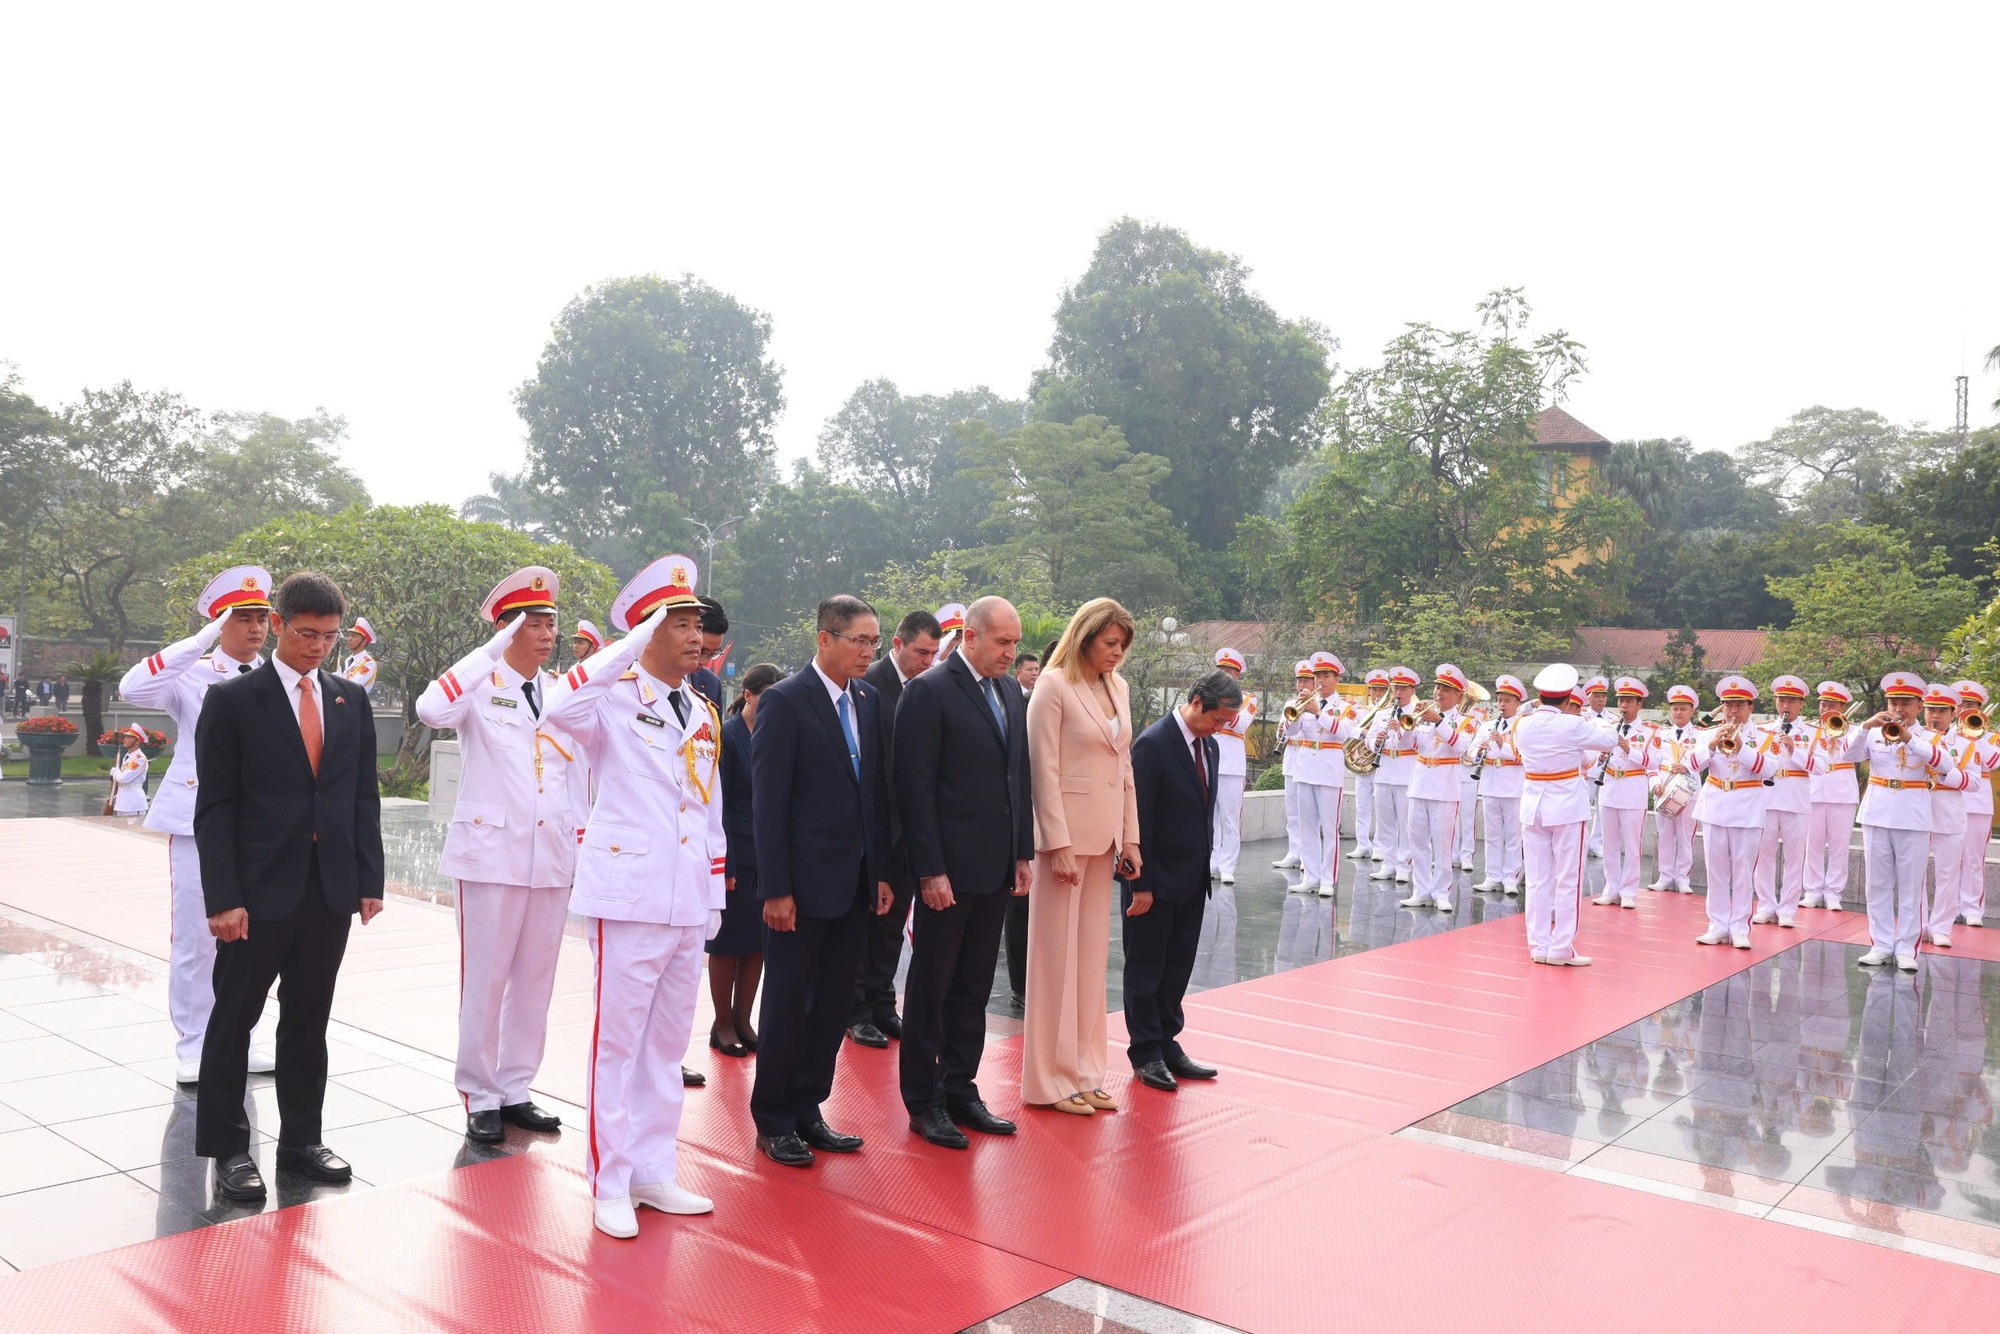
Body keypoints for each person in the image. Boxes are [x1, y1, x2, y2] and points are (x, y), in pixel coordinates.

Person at [539, 555, 722, 1234]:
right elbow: (558, 707)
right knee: (616, 1045)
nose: (696, 636)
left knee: (666, 1047)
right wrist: (629, 644)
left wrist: (714, 896)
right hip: (628, 896)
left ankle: (651, 1169)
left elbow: (709, 808)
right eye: (681, 623)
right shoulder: (610, 700)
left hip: (686, 899)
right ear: (646, 631)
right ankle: (609, 1180)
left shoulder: (701, 710)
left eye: (698, 624)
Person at [194, 571, 386, 1203]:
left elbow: (361, 797)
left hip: (328, 890)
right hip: (255, 893)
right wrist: (223, 897)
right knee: (234, 1020)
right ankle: (228, 1149)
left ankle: (302, 1140)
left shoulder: (348, 699)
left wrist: (369, 878)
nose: (318, 647)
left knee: (308, 1020)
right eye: (307, 634)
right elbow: (215, 808)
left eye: (329, 637)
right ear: (278, 625)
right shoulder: (232, 701)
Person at [414, 565, 580, 1145]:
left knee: (535, 981)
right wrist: (487, 651)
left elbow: (577, 776)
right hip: (490, 855)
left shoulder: (559, 693)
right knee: (485, 981)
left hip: (550, 856)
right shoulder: (479, 685)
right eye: (533, 623)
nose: (547, 634)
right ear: (506, 629)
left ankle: (515, 1087)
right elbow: (431, 709)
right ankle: (479, 1093)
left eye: (551, 623)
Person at [749, 594, 895, 1167]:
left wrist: (880, 873)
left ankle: (808, 1106)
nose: (868, 651)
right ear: (825, 639)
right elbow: (769, 804)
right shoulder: (786, 700)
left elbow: (874, 796)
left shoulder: (868, 699)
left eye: (874, 641)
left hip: (854, 883)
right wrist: (776, 888)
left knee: (833, 1004)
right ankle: (773, 1118)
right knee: (787, 1003)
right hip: (801, 885)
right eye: (859, 640)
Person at [117, 565, 277, 1083]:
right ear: (219, 623)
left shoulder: (277, 676)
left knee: (252, 939)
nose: (255, 628)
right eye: (242, 619)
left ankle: (241, 1037)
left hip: (261, 826)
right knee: (196, 936)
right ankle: (194, 1042)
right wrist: (202, 640)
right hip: (197, 822)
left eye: (261, 618)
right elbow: (133, 687)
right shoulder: (189, 675)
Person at [895, 596, 1033, 1148]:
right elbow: (915, 788)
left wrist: (1021, 852)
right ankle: (922, 1100)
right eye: (1002, 642)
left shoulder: (1009, 692)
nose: (1011, 652)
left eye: (1015, 643)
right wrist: (930, 870)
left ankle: (960, 1087)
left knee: (974, 986)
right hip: (947, 872)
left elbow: (1018, 777)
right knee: (933, 985)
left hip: (995, 866)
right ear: (970, 637)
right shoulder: (929, 692)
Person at [1023, 597, 1141, 1116]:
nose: (1117, 653)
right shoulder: (1053, 686)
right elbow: (1042, 769)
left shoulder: (1119, 687)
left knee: (1092, 962)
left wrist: (1131, 838)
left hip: (1106, 840)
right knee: (1054, 961)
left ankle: (1088, 1072)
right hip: (1064, 844)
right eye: (1110, 643)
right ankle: (1049, 1080)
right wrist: (1057, 844)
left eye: (1123, 645)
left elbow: (1124, 766)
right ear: (1085, 637)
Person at [1124, 670, 1235, 1093]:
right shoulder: (1153, 744)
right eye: (1217, 719)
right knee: (1146, 969)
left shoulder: (1210, 747)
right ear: (1196, 702)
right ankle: (1145, 1052)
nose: (1220, 728)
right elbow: (1138, 821)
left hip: (1191, 879)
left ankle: (1168, 1043)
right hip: (1153, 881)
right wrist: (1141, 885)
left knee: (1176, 968)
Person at [848, 607, 944, 1049]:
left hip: (912, 826)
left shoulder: (929, 689)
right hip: (873, 825)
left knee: (893, 924)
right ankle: (856, 1011)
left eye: (934, 654)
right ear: (898, 644)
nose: (928, 661)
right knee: (867, 924)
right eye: (921, 652)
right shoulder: (868, 685)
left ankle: (883, 1002)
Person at [1844, 672, 1957, 971]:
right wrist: (1865, 727)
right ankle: (1881, 944)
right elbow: (1848, 755)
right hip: (1877, 811)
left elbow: (1946, 765)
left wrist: (1910, 739)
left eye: (1905, 703)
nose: (1898, 709)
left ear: (1919, 706)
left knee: (1910, 886)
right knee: (1877, 884)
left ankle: (1907, 947)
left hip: (1912, 815)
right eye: (1893, 702)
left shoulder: (1931, 736)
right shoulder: (1874, 732)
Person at [1512, 664, 1616, 965]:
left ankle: (1538, 946)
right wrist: (1602, 722)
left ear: (1541, 696)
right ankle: (1560, 948)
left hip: (1533, 806)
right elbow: (1608, 741)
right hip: (1566, 806)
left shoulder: (1523, 724)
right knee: (1568, 879)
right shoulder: (1572, 724)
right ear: (1568, 698)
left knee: (1537, 880)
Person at [711, 664, 782, 1055]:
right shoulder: (727, 734)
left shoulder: (778, 734)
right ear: (748, 694)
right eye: (765, 697)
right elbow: (718, 804)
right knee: (727, 943)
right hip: (735, 852)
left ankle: (743, 1019)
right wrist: (726, 863)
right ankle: (722, 1023)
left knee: (757, 943)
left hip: (766, 855)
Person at [1688, 674, 1774, 950]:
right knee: (1716, 871)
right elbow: (1691, 765)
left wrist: (1742, 749)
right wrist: (1713, 745)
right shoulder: (1707, 734)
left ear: (1751, 708)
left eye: (1739, 705)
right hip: (1715, 805)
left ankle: (1739, 927)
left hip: (1747, 808)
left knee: (1742, 871)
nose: (1733, 711)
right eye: (1728, 705)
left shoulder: (1764, 736)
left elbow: (1770, 770)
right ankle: (1717, 925)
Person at [1399, 664, 1476, 914]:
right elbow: (1408, 744)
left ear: (1458, 696)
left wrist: (1439, 721)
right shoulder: (1423, 715)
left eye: (1446, 689)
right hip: (1419, 783)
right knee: (1417, 841)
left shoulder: (1465, 721)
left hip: (1445, 787)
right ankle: (1421, 890)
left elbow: (1462, 747)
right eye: (1438, 687)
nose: (1439, 692)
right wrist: (1408, 726)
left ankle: (1441, 892)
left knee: (1443, 844)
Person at [1751, 675, 1823, 927]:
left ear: (1801, 704)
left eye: (1791, 701)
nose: (1785, 705)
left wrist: (1795, 751)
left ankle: (1788, 910)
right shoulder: (1761, 730)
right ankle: (1766, 905)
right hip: (1766, 798)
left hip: (1796, 800)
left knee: (1794, 858)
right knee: (1764, 856)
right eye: (1781, 700)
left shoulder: (1814, 733)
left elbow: (1822, 767)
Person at [1291, 651, 1358, 898]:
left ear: (1336, 679)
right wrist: (1295, 713)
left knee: (1330, 829)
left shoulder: (1347, 707)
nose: (1320, 681)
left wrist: (1318, 713)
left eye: (1326, 676)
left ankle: (1328, 879)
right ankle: (1310, 876)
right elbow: (1291, 732)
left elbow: (1344, 733)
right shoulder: (1306, 701)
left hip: (1329, 770)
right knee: (1306, 827)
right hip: (1305, 767)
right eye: (1317, 676)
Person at [1590, 677, 1658, 911]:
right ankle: (1610, 889)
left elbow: (1655, 762)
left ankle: (1628, 891)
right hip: (1609, 788)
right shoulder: (1608, 727)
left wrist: (1630, 749)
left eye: (1629, 701)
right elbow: (1592, 759)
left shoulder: (1650, 731)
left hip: (1632, 791)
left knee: (1631, 845)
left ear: (1639, 704)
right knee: (1609, 843)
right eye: (1621, 701)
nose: (1623, 706)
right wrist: (1601, 758)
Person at [1923, 685, 1980, 949]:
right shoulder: (1912, 738)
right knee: (1914, 875)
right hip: (1916, 812)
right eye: (1930, 710)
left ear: (1953, 712)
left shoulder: (1966, 743)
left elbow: (1975, 782)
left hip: (1950, 814)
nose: (1935, 716)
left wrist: (1947, 774)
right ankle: (1918, 924)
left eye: (1941, 711)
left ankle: (1941, 927)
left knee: (1947, 875)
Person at [1801, 681, 1860, 910]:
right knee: (1812, 844)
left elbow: (1858, 754)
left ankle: (1834, 892)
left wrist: (1840, 733)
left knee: (1839, 845)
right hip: (1814, 790)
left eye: (1832, 705)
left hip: (1842, 791)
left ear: (1843, 708)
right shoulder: (1809, 729)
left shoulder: (1854, 730)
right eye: (1823, 704)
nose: (1826, 709)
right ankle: (1812, 890)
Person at [1469, 675, 1526, 895]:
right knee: (1492, 834)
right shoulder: (1487, 725)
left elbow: (1525, 756)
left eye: (1507, 701)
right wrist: (1479, 752)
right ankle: (1492, 876)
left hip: (1513, 785)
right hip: (1490, 783)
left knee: (1513, 835)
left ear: (1517, 703)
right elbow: (1470, 750)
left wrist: (1503, 745)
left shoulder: (1523, 727)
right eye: (1500, 700)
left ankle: (1510, 877)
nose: (1502, 704)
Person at [1948, 681, 1998, 929]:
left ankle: (1972, 908)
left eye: (1971, 705)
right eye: (1961, 705)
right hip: (1949, 799)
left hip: (1978, 802)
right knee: (1949, 859)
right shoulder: (1945, 734)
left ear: (1979, 708)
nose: (1965, 709)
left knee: (1974, 858)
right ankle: (1950, 907)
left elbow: (1994, 762)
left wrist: (1975, 736)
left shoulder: (1990, 736)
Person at [1365, 666, 1421, 883]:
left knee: (1406, 824)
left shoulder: (1418, 714)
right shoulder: (1382, 714)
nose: (1398, 692)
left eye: (1403, 688)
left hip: (1406, 771)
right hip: (1384, 770)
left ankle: (1404, 865)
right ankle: (1388, 863)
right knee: (1385, 822)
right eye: (1396, 688)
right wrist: (1376, 742)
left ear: (1412, 690)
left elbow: (1417, 743)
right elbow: (1368, 740)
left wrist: (1400, 729)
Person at [1207, 647, 1256, 886]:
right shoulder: (1208, 695)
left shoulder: (1248, 699)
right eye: (1221, 670)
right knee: (1210, 817)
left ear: (1237, 674)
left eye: (1229, 671)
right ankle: (1212, 861)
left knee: (1230, 819)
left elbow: (1239, 725)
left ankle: (1227, 865)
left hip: (1231, 766)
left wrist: (1223, 703)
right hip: (1209, 759)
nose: (1224, 674)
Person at [1647, 686, 1702, 894]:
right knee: (1665, 835)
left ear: (1692, 711)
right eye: (1675, 708)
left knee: (1685, 836)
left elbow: (1706, 760)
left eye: (1683, 709)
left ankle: (1683, 878)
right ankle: (1665, 876)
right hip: (1664, 788)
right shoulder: (1661, 734)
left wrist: (1688, 767)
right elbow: (1651, 763)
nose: (1678, 712)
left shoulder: (1700, 735)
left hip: (1688, 790)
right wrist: (1654, 784)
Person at [1270, 659, 1316, 871]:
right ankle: (1294, 852)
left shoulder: (1318, 705)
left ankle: (1308, 856)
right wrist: (1282, 731)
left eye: (1306, 680)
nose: (1302, 684)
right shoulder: (1290, 703)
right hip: (1291, 760)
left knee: (1309, 814)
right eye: (1299, 680)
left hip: (1309, 761)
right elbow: (1281, 731)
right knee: (1293, 812)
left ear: (1314, 682)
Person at [1352, 668, 1390, 859]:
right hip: (1362, 764)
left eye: (1382, 689)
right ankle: (1362, 844)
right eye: (1374, 689)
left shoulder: (1389, 713)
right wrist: (1363, 732)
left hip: (1381, 764)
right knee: (1361, 806)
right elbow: (1349, 730)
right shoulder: (1360, 711)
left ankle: (1380, 846)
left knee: (1381, 809)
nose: (1377, 693)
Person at [1582, 674, 1610, 856]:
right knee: (1584, 807)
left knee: (1602, 808)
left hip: (1607, 769)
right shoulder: (1581, 717)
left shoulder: (1613, 718)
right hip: (1588, 768)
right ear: (1588, 698)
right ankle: (1582, 841)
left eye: (1603, 696)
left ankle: (1596, 843)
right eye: (1597, 696)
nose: (1601, 699)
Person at [691, 597, 728, 708]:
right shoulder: (651, 678)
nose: (704, 661)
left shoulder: (712, 683)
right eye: (702, 651)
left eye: (713, 653)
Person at [110, 724, 150, 815]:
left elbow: (123, 778)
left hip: (133, 804)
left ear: (137, 741)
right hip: (122, 803)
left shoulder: (139, 759)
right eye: (125, 737)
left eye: (129, 737)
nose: (125, 739)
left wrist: (115, 773)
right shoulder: (127, 756)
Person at [339, 617, 377, 687]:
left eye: (354, 636)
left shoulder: (369, 663)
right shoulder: (349, 659)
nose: (349, 639)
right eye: (350, 635)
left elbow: (353, 686)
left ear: (364, 642)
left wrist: (337, 678)